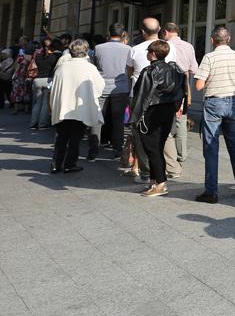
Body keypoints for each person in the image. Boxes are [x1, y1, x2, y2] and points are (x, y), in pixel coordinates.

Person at [193, 26, 235, 204]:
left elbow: (198, 85)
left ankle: (211, 191)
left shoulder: (209, 57)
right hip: (233, 102)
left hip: (214, 103)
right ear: (229, 39)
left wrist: (212, 79)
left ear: (212, 40)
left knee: (211, 146)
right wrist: (233, 80)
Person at [129, 40, 186, 197]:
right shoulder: (174, 69)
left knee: (151, 148)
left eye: (148, 51)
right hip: (167, 111)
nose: (147, 53)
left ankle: (160, 183)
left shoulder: (149, 71)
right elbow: (181, 90)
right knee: (157, 146)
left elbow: (140, 95)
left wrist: (135, 116)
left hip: (151, 112)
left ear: (153, 53)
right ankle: (154, 182)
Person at [49, 40, 104, 174]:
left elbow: (54, 88)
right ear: (85, 51)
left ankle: (56, 164)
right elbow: (99, 87)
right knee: (75, 137)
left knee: (61, 137)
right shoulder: (90, 68)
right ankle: (69, 164)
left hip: (63, 106)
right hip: (80, 108)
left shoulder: (62, 67)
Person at [92, 23, 131, 162]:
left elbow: (95, 66)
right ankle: (117, 149)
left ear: (109, 33)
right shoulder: (128, 49)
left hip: (101, 86)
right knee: (118, 119)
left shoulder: (98, 48)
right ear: (122, 35)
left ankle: (93, 149)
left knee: (97, 118)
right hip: (120, 87)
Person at [163, 22, 199, 164]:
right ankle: (181, 153)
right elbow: (194, 69)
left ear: (166, 32)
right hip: (183, 86)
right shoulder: (188, 46)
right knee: (181, 120)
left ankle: (168, 153)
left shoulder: (163, 45)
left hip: (166, 86)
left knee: (165, 120)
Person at [29, 38, 61, 129]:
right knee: (45, 103)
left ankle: (33, 123)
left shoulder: (37, 56)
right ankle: (42, 124)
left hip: (37, 80)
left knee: (37, 103)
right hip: (48, 80)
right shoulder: (55, 57)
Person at [11, 41, 34, 114]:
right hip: (28, 76)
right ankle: (26, 109)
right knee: (26, 91)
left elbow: (16, 67)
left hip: (19, 76)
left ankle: (15, 109)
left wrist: (14, 75)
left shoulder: (20, 57)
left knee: (16, 91)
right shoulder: (32, 58)